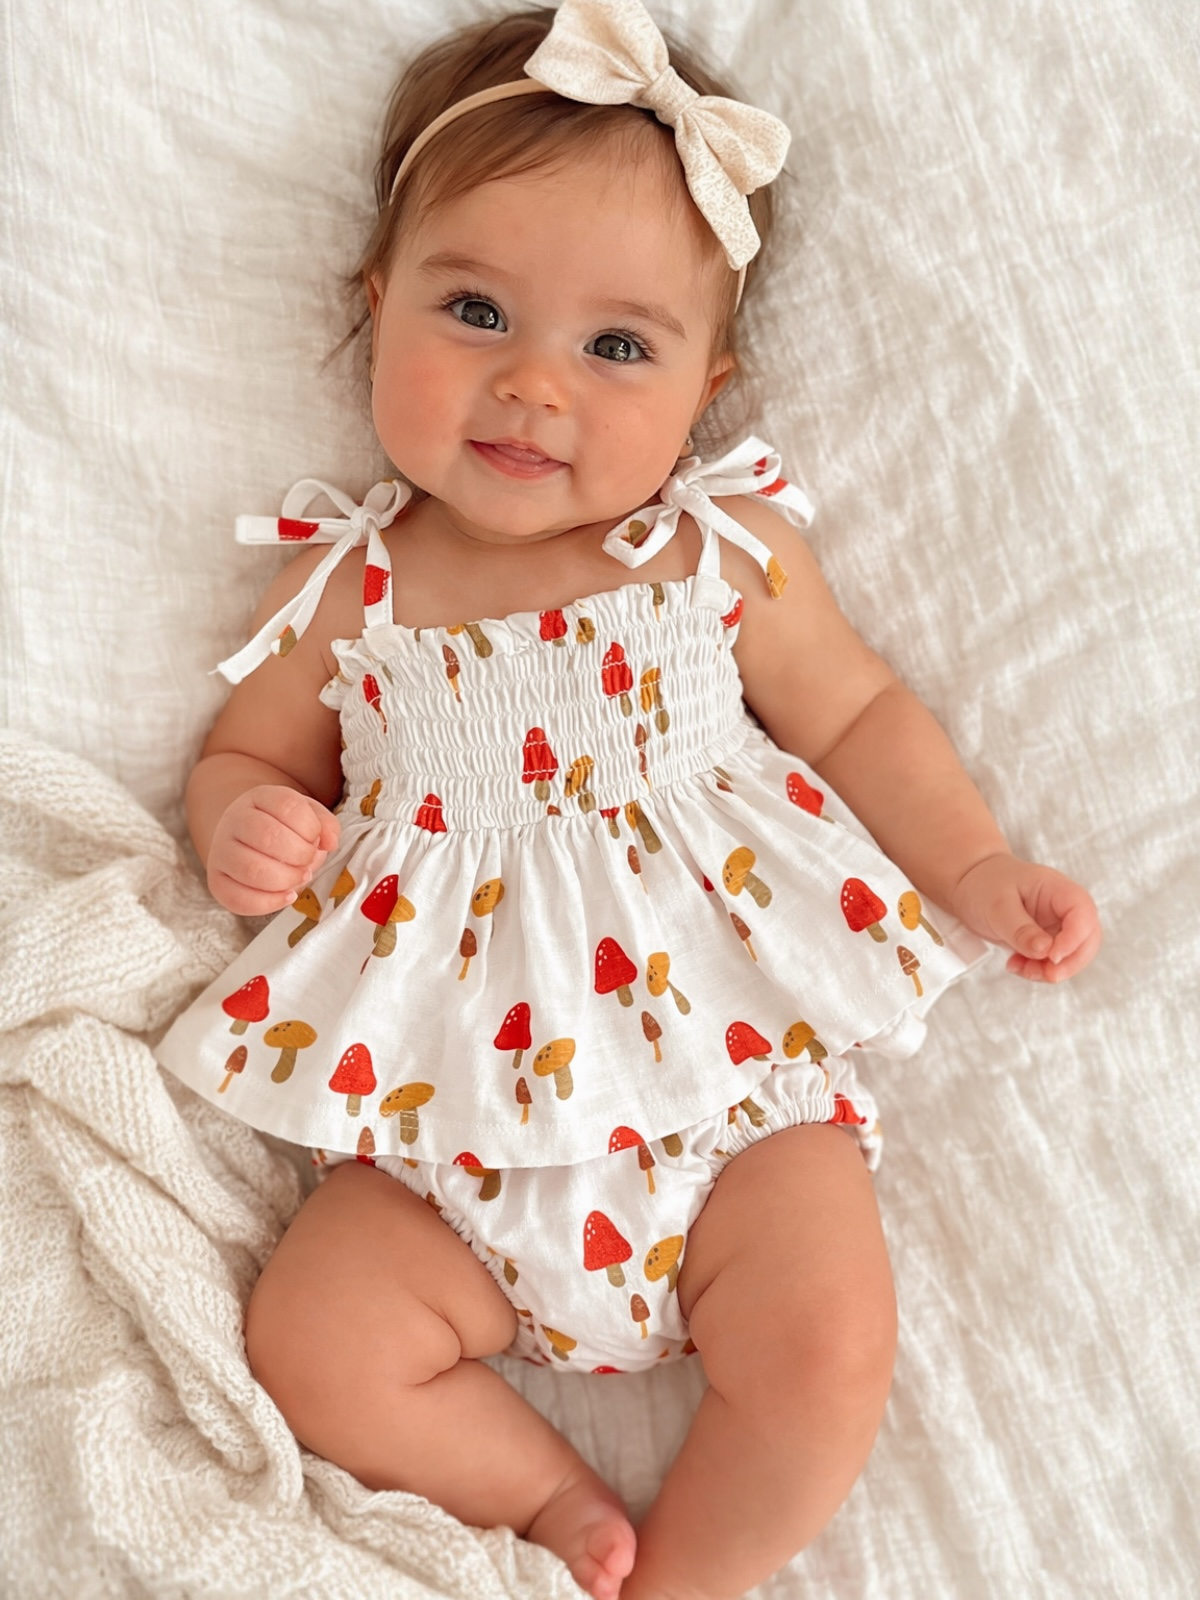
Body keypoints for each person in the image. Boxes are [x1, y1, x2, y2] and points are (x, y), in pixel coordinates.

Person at [154, 2, 1102, 1596]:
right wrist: (242, 823)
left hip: (727, 1100)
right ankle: (550, 1511)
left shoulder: (716, 558)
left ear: (706, 385)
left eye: (617, 347)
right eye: (473, 310)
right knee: (311, 1335)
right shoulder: (353, 593)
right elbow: (244, 756)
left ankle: (692, 1577)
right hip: (440, 1140)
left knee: (827, 1346)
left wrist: (976, 861)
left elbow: (860, 713)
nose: (535, 388)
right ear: (372, 309)